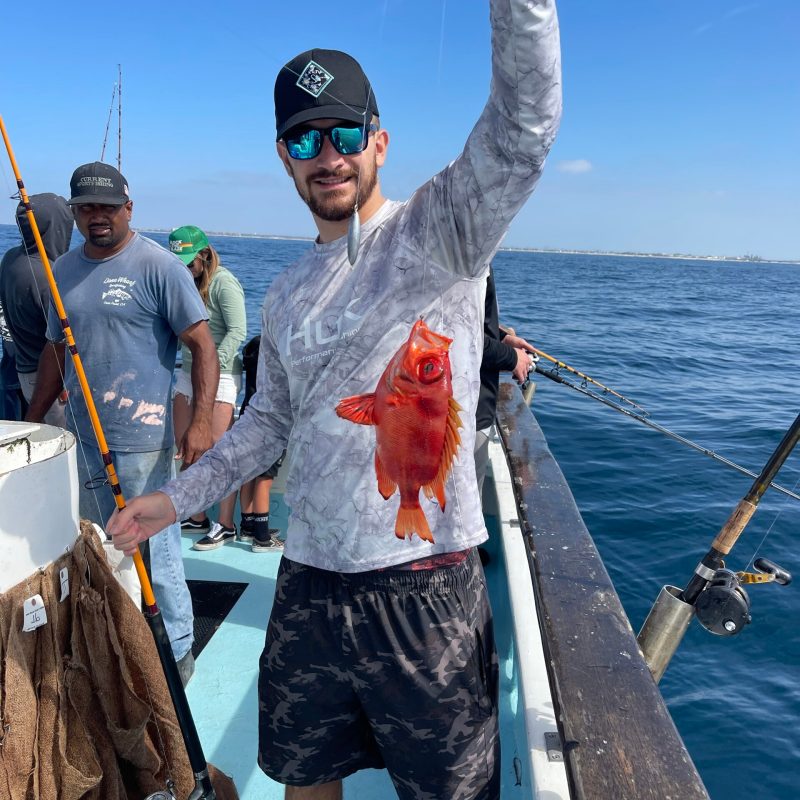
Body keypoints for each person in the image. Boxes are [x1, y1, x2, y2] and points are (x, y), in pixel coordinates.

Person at [109, 3, 562, 797]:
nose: (328, 157)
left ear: (378, 143)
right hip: (308, 579)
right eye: (305, 141)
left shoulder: (442, 233)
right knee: (303, 778)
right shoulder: (286, 292)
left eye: (345, 135)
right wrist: (173, 499)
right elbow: (268, 424)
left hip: (424, 586)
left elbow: (523, 131)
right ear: (284, 158)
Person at [25, 162, 219, 686]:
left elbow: (202, 345)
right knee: (98, 547)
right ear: (74, 213)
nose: (98, 216)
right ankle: (114, 646)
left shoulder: (160, 267)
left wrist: (201, 421)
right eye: (86, 207)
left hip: (144, 446)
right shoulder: (62, 269)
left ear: (128, 209)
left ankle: (177, 653)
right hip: (83, 440)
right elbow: (54, 349)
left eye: (108, 207)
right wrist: (32, 420)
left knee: (157, 551)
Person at [167, 225, 247, 551]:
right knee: (186, 446)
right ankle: (196, 515)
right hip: (186, 372)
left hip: (222, 373)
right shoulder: (179, 283)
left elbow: (238, 330)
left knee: (218, 452)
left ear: (204, 254)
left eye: (189, 262)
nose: (185, 269)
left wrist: (213, 364)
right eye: (179, 263)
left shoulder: (224, 283)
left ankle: (226, 524)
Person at [0, 193, 73, 426]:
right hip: (51, 382)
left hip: (23, 372)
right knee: (65, 441)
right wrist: (63, 383)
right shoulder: (47, 277)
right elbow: (60, 341)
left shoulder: (10, 258)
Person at [474, 265, 537, 497]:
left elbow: (472, 322)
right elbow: (460, 335)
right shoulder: (463, 257)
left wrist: (502, 338)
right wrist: (511, 358)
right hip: (463, 420)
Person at [237, 335, 284, 552]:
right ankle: (262, 537)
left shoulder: (252, 348)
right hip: (270, 424)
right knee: (265, 478)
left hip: (248, 417)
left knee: (249, 475)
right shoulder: (273, 355)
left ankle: (248, 526)